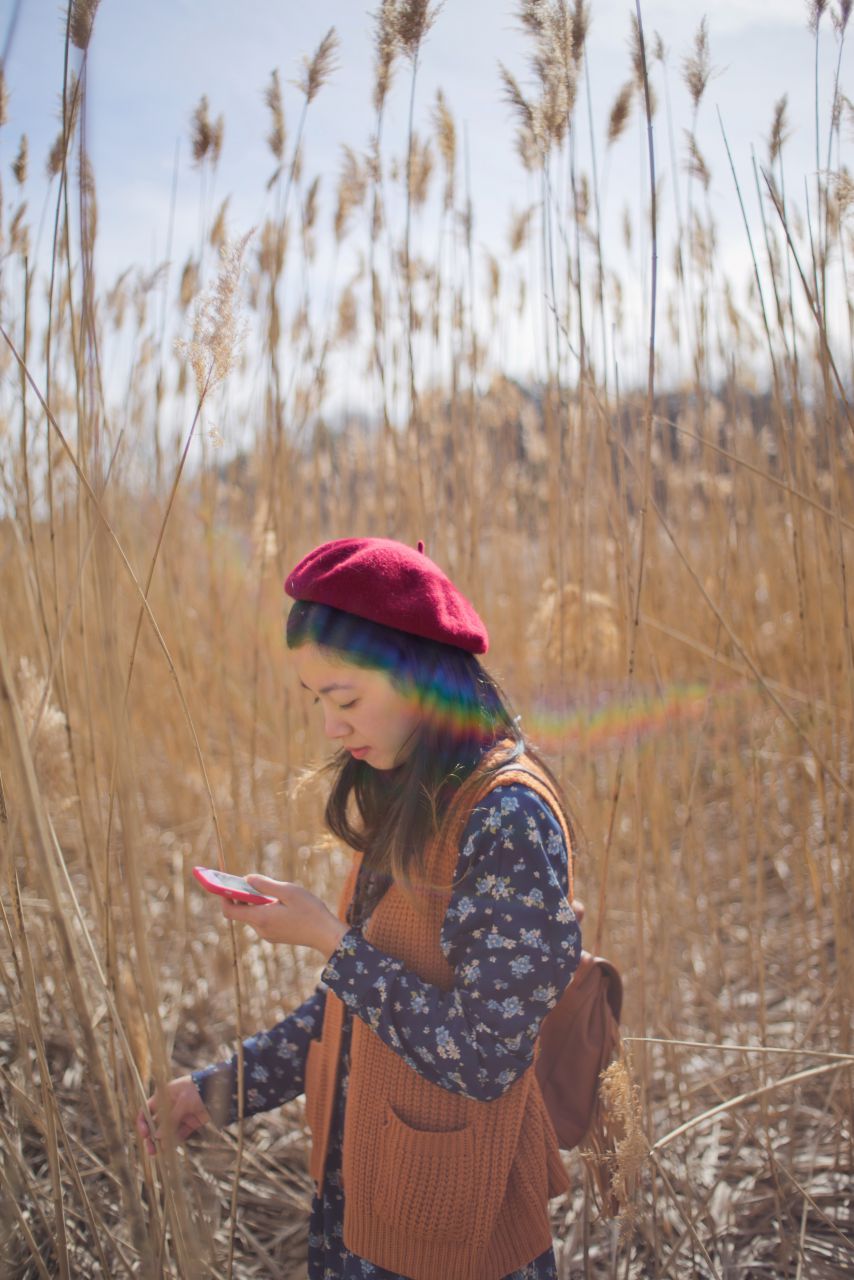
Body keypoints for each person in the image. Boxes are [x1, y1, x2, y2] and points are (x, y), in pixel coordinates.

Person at [137, 537, 582, 1280]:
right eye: (317, 701)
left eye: (345, 699)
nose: (330, 728)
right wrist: (219, 1090)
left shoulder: (506, 820)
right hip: (365, 1213)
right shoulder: (411, 794)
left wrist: (329, 938)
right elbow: (354, 1015)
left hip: (455, 1241)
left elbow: (485, 1056)